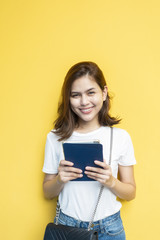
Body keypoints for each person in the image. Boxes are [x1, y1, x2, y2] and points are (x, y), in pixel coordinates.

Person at [42, 61, 136, 240]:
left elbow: (131, 193)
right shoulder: (55, 137)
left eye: (91, 92)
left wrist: (110, 181)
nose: (84, 102)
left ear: (104, 93)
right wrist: (60, 180)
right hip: (67, 228)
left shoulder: (120, 137)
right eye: (75, 95)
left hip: (109, 230)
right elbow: (47, 192)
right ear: (68, 98)